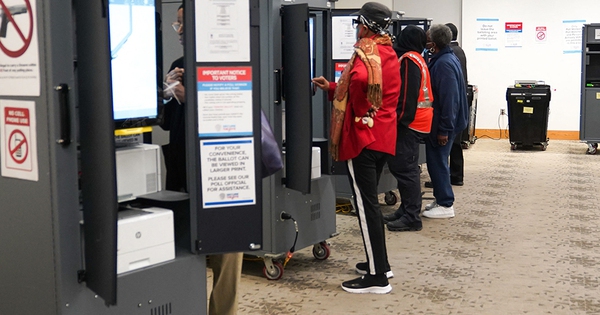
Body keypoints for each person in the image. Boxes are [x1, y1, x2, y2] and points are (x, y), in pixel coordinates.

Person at [312, 2, 399, 294]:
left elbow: (361, 80)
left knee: (365, 207)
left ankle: (377, 278)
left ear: (363, 25)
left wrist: (355, 102)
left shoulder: (367, 53)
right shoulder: (388, 52)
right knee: (369, 205)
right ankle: (380, 264)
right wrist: (333, 89)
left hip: (363, 139)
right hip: (383, 137)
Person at [162, 5, 243, 315]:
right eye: (177, 25)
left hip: (222, 178)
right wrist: (168, 93)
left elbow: (233, 118)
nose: (180, 31)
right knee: (186, 254)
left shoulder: (230, 65)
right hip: (183, 176)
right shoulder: (179, 65)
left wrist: (190, 98)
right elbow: (168, 124)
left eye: (184, 24)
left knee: (226, 259)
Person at [383, 25, 433, 232]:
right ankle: (405, 210)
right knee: (405, 168)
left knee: (405, 170)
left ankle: (412, 217)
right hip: (418, 122)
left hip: (409, 124)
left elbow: (406, 97)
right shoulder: (417, 58)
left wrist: (398, 122)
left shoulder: (408, 60)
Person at [421, 24, 468, 219]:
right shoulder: (447, 58)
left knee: (437, 163)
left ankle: (446, 204)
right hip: (444, 122)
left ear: (434, 43)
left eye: (428, 38)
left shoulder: (444, 64)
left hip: (443, 123)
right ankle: (441, 198)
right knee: (437, 162)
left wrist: (444, 130)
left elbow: (450, 100)